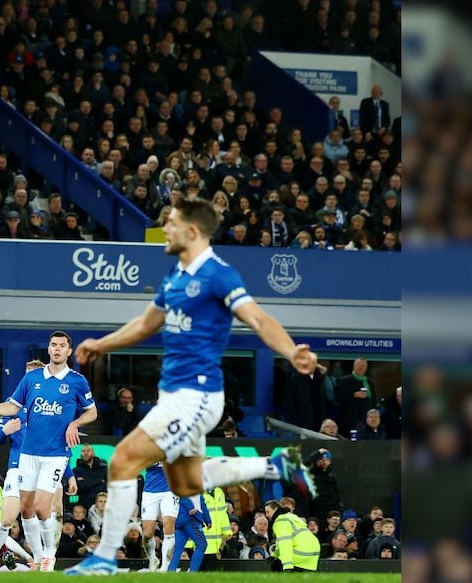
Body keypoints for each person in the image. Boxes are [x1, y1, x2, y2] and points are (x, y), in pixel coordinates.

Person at [65, 199, 318, 576]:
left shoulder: (219, 275)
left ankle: (104, 558)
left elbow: (259, 319)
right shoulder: (175, 277)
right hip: (175, 395)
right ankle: (276, 463)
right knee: (186, 483)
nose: (165, 229)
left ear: (193, 231)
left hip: (196, 396)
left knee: (121, 460)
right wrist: (103, 344)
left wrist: (290, 350)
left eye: (172, 223)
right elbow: (145, 324)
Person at [0, 331, 98, 571]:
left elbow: (92, 412)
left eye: (62, 346)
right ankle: (37, 558)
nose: (57, 349)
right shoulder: (32, 379)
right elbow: (12, 406)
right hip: (27, 455)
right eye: (53, 345)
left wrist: (74, 423)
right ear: (48, 349)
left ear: (69, 351)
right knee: (27, 509)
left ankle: (49, 554)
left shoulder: (77, 381)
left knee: (42, 507)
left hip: (55, 455)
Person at [140, 462, 179, 571]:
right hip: (150, 491)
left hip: (170, 490)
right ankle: (152, 559)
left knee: (169, 525)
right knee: (147, 533)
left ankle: (165, 566)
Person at [267, 499, 320, 571]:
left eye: (268, 512)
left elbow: (285, 543)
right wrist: (274, 555)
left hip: (301, 552)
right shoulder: (290, 517)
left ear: (275, 509)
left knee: (276, 565)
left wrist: (287, 566)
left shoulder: (280, 522)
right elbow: (282, 543)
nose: (266, 515)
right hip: (314, 551)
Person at [166, 492, 210, 572]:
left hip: (179, 518)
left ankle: (170, 571)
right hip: (190, 517)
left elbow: (201, 501)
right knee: (202, 544)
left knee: (178, 547)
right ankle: (193, 573)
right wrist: (190, 507)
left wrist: (207, 520)